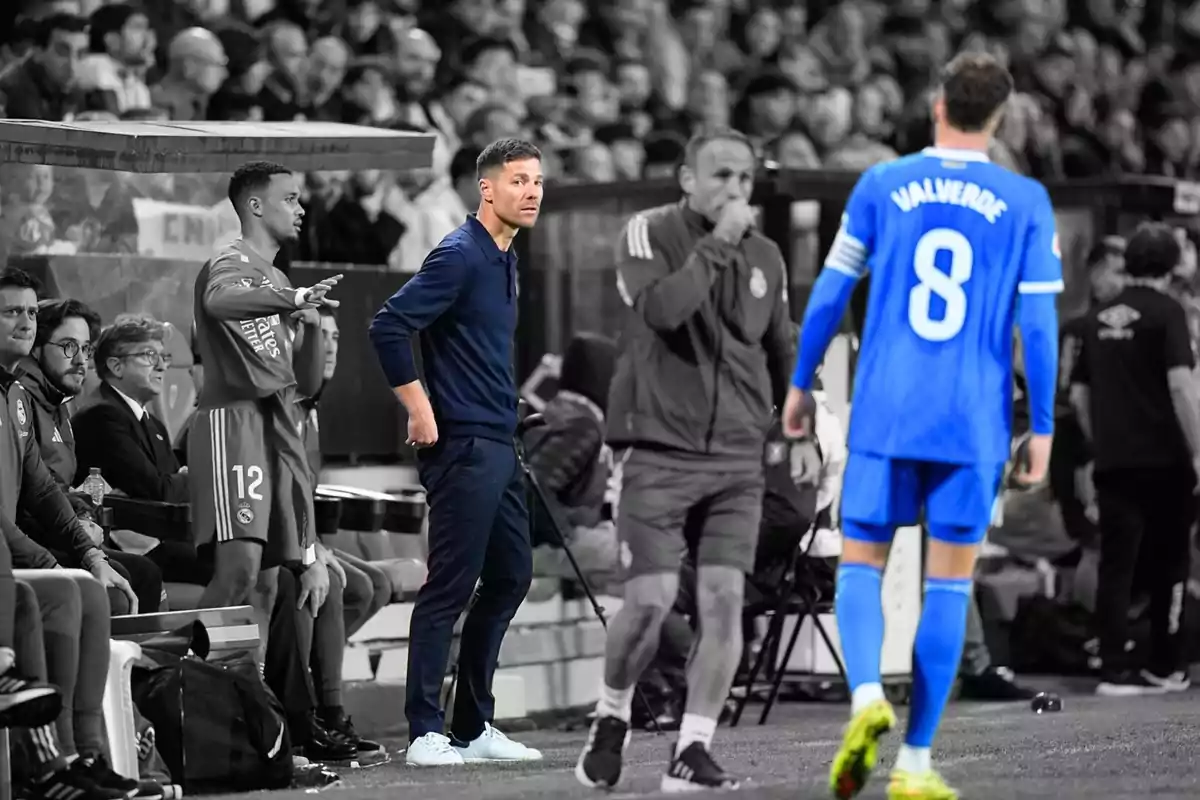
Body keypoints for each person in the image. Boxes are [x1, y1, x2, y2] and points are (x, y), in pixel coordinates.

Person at [783, 53, 1061, 800]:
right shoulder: (1026, 200)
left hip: (887, 408)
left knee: (861, 566)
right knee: (948, 586)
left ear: (937, 104)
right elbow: (1039, 325)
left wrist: (800, 384)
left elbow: (829, 291)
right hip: (971, 420)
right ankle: (913, 764)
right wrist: (1041, 425)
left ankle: (867, 695)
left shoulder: (884, 183)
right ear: (999, 117)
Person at [576, 125, 794, 793]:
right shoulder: (646, 232)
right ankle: (611, 713)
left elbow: (779, 345)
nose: (735, 189)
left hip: (736, 455)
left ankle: (691, 748)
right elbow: (665, 310)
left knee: (725, 599)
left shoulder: (768, 256)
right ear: (688, 179)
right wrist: (720, 242)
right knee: (650, 602)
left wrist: (797, 427)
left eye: (746, 179)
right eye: (722, 175)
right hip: (657, 450)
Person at [369, 138, 545, 768]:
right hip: (463, 445)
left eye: (537, 182)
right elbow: (388, 325)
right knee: (449, 586)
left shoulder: (503, 257)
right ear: (486, 189)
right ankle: (424, 731)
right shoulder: (459, 254)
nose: (530, 192)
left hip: (498, 441)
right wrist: (420, 408)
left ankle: (472, 726)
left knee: (510, 577)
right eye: (518, 181)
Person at [188, 160, 342, 660]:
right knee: (238, 570)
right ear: (255, 206)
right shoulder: (229, 262)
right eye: (291, 198)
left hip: (274, 425)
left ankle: (246, 708)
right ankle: (182, 686)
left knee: (268, 585)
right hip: (232, 423)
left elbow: (306, 385)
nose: (302, 208)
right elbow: (217, 303)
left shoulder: (273, 277)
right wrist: (290, 297)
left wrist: (313, 327)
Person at [1069, 222, 1200, 696]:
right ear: (1170, 266)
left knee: (1116, 564)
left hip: (1114, 460)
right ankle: (1165, 664)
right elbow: (1181, 385)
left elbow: (1079, 393)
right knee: (1171, 562)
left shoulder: (1099, 316)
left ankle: (1112, 668)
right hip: (1166, 461)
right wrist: (1198, 450)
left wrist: (1103, 437)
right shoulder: (1170, 313)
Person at [0, 268, 138, 614]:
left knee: (107, 586)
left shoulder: (15, 394)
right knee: (82, 594)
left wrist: (91, 556)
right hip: (15, 550)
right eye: (12, 311)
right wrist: (52, 567)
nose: (26, 323)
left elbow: (42, 488)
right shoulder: (30, 396)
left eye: (31, 312)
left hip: (15, 550)